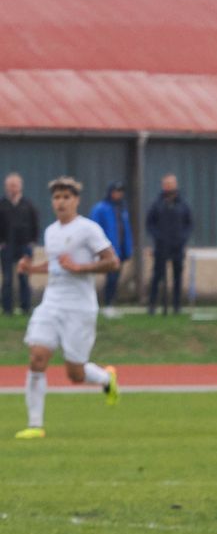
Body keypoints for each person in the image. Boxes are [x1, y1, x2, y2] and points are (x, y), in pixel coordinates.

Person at [14, 177, 119, 440]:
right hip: (52, 303)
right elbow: (57, 265)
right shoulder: (51, 231)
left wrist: (81, 268)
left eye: (66, 197)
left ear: (76, 200)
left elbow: (112, 262)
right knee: (37, 357)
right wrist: (32, 269)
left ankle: (106, 379)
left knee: (75, 373)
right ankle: (35, 425)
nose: (60, 202)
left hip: (80, 308)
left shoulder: (89, 229)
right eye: (56, 197)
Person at [146, 173, 192, 315]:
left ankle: (176, 306)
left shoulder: (183, 204)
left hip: (177, 246)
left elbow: (189, 224)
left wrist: (182, 238)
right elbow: (149, 223)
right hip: (161, 247)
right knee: (157, 276)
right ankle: (153, 305)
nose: (169, 186)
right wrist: (157, 237)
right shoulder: (157, 203)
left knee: (177, 276)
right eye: (167, 184)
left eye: (172, 184)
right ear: (163, 186)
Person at [89, 181, 135, 317]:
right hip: (105, 251)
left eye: (121, 192)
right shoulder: (100, 209)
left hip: (119, 251)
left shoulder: (122, 209)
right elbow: (93, 229)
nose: (119, 194)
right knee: (105, 278)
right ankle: (101, 304)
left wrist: (128, 249)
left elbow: (125, 230)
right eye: (116, 191)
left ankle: (110, 304)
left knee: (114, 278)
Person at [1, 172, 39, 316]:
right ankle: (7, 310)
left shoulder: (28, 204)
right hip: (7, 247)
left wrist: (33, 242)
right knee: (7, 279)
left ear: (20, 186)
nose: (12, 188)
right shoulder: (2, 204)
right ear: (6, 187)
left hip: (24, 246)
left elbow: (36, 223)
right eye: (10, 185)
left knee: (24, 277)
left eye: (15, 185)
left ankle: (25, 307)